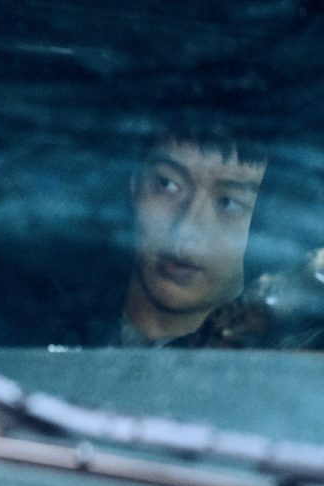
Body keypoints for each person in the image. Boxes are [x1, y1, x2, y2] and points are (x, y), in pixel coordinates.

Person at [114, 114, 268, 347]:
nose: (186, 229)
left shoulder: (295, 359)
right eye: (167, 184)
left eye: (228, 202)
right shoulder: (55, 318)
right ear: (134, 183)